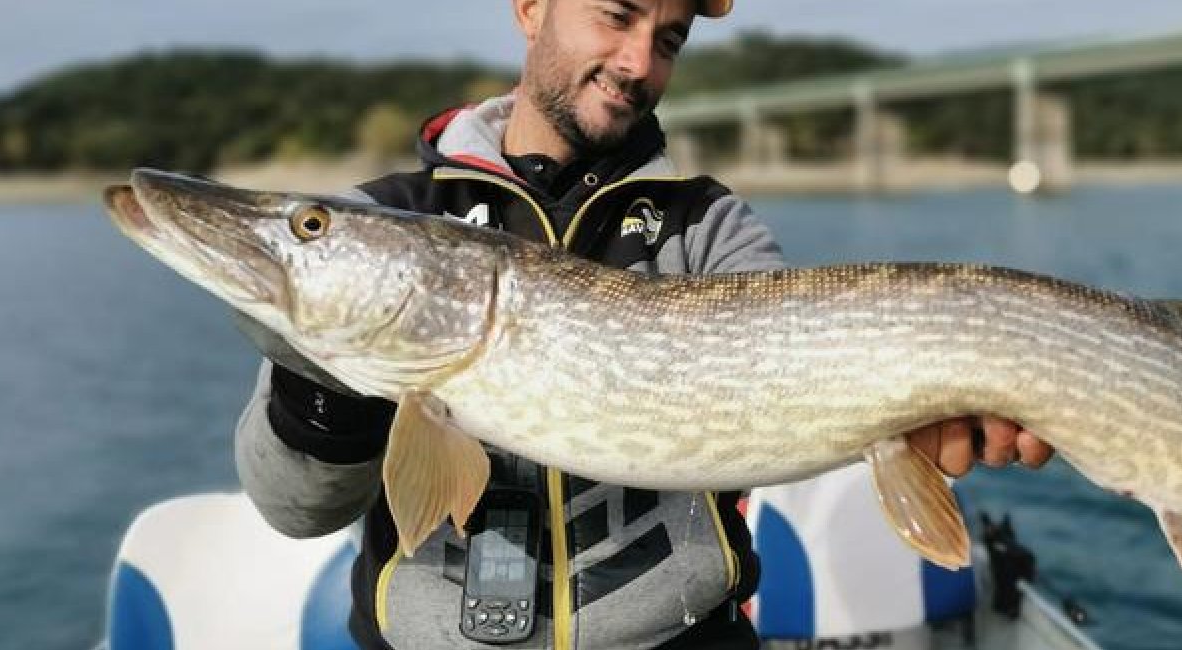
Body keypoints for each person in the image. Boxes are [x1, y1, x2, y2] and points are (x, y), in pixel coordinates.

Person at [233, 0, 1053, 648]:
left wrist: (919, 423)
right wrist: (327, 389)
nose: (639, 63)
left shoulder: (708, 227)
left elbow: (808, 381)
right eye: (617, 15)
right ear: (529, 7)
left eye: (669, 38)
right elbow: (291, 510)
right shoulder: (398, 216)